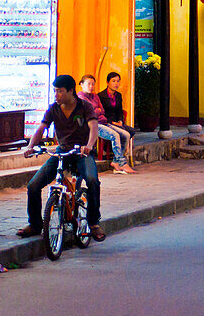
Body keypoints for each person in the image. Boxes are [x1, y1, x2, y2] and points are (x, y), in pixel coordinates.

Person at [17, 75, 106, 242]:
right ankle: (35, 224)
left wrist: (89, 145)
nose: (56, 95)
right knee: (33, 185)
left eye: (59, 91)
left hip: (81, 153)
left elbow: (93, 127)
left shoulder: (85, 106)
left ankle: (94, 223)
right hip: (62, 152)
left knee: (93, 180)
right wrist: (30, 147)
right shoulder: (53, 109)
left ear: (70, 91)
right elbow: (42, 128)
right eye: (55, 91)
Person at [78, 75, 135, 175]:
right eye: (88, 84)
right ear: (82, 85)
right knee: (115, 135)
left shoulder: (95, 96)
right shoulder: (81, 97)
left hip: (103, 121)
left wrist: (97, 110)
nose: (91, 86)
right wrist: (97, 110)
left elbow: (102, 110)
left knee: (126, 134)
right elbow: (89, 113)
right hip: (92, 125)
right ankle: (122, 163)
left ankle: (116, 162)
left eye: (93, 84)